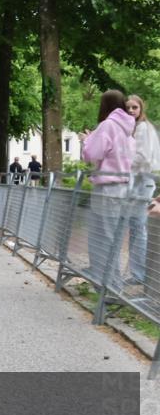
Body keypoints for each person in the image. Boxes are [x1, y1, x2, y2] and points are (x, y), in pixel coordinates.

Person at [79, 89, 135, 290]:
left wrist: (86, 140)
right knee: (114, 238)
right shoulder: (128, 129)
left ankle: (109, 288)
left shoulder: (108, 125)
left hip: (107, 190)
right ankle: (111, 285)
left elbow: (92, 154)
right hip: (123, 188)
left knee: (102, 238)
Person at [125, 95, 160, 285]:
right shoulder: (133, 128)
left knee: (138, 228)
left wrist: (123, 163)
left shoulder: (143, 128)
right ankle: (138, 273)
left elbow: (143, 156)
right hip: (137, 181)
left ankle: (139, 275)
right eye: (128, 108)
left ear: (141, 108)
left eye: (134, 107)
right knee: (136, 227)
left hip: (142, 181)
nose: (131, 110)